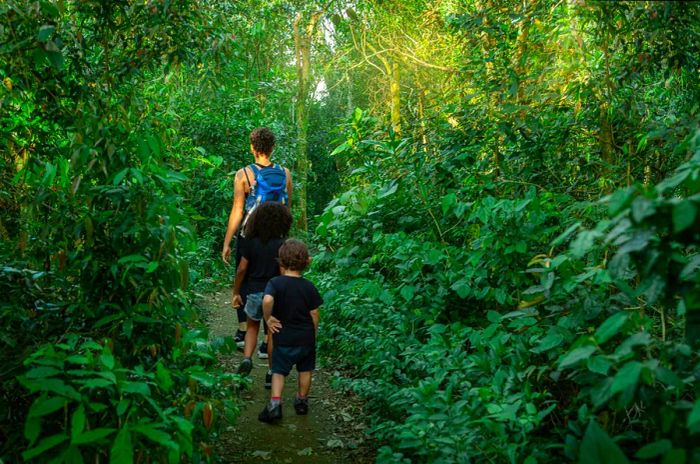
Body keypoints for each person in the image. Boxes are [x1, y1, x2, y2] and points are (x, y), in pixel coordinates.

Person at [222, 127, 293, 347]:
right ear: (272, 148)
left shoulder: (243, 174)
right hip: (277, 237)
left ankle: (244, 330)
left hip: (249, 235)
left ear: (253, 148)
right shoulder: (285, 173)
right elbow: (288, 207)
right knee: (274, 279)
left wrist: (227, 242)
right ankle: (266, 339)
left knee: (246, 278)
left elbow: (237, 209)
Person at [258, 239, 323, 423]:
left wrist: (268, 318)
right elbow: (315, 312)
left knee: (278, 371)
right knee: (305, 370)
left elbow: (268, 300)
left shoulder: (275, 283)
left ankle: (275, 405)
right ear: (305, 262)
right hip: (305, 338)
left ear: (281, 261)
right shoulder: (308, 286)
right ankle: (301, 401)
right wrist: (313, 333)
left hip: (283, 337)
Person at [233, 202, 292, 384]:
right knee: (272, 332)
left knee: (252, 327)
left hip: (253, 291)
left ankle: (247, 358)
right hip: (273, 293)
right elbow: (283, 271)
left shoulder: (250, 242)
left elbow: (242, 268)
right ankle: (271, 373)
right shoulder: (282, 244)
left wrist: (236, 291)